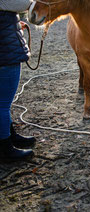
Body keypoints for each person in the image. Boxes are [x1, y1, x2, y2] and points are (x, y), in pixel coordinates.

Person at [0, 0, 36, 160]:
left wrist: (11, 23)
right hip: (6, 57)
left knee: (3, 103)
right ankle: (6, 148)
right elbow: (26, 4)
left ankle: (9, 135)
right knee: (2, 104)